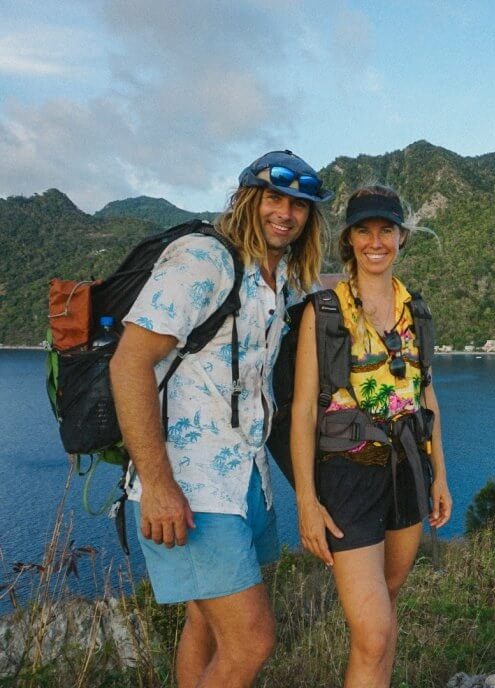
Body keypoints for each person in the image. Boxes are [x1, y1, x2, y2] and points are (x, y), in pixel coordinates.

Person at [110, 150, 331, 688]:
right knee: (252, 642)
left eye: (299, 204)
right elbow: (129, 363)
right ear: (248, 200)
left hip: (248, 484)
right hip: (191, 491)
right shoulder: (205, 259)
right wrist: (159, 486)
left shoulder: (276, 280)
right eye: (274, 198)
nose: (286, 212)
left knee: (204, 626)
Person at [291, 184, 452, 687]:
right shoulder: (326, 312)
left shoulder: (416, 313)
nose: (376, 241)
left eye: (386, 230)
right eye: (365, 230)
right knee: (374, 630)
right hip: (348, 476)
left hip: (408, 469)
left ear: (402, 237)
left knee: (385, 611)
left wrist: (439, 477)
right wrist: (305, 501)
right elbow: (302, 411)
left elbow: (427, 398)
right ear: (349, 239)